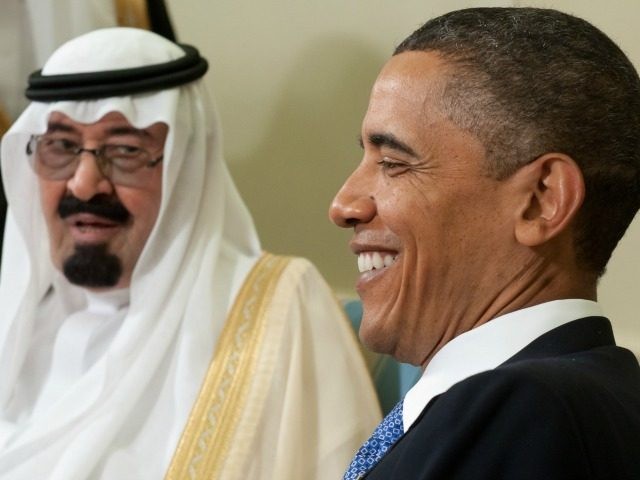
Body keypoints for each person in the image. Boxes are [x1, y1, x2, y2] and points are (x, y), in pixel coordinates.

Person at [0, 27, 380, 479]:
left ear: (185, 168)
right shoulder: (18, 325)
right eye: (60, 147)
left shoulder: (279, 308)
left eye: (125, 150)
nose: (84, 183)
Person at [330, 7, 640, 479]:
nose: (344, 205)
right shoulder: (602, 398)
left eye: (394, 162)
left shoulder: (522, 410)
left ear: (541, 201)